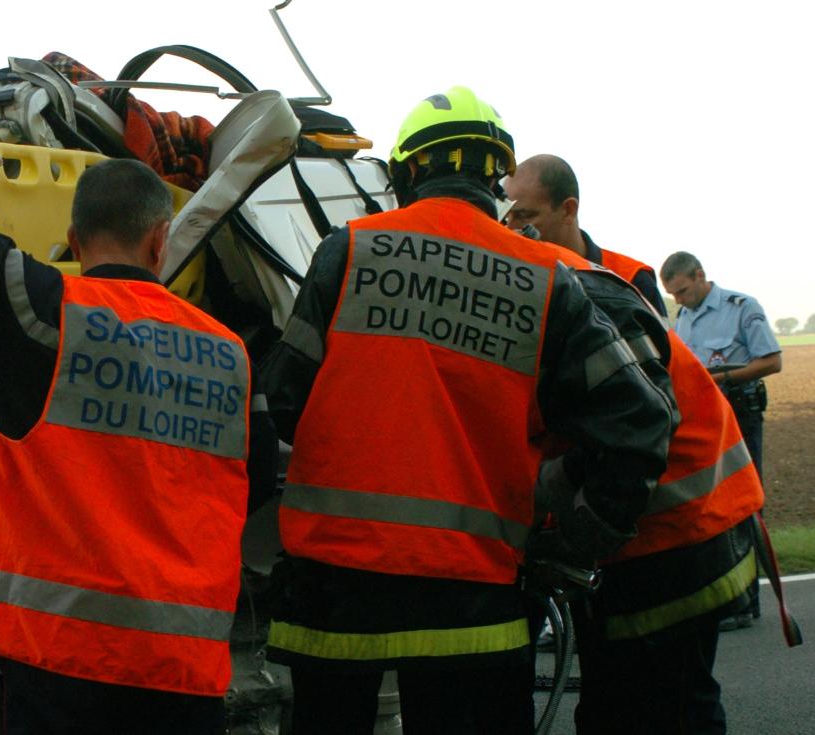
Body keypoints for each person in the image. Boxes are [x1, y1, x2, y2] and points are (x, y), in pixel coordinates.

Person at [259, 86, 674, 734]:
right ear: (495, 177)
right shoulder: (548, 279)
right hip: (474, 606)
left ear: (408, 170)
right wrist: (575, 543)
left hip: (334, 595)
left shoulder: (351, 250)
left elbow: (283, 402)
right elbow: (642, 422)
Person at [0, 108, 277, 734]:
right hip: (182, 666)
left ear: (75, 243)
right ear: (161, 240)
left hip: (60, 663)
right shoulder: (228, 352)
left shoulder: (42, 312)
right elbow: (254, 478)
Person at [508, 164, 766, 732]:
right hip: (646, 526)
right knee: (614, 704)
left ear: (567, 209)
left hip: (680, 523)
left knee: (676, 705)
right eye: (509, 218)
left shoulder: (600, 286)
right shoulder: (554, 278)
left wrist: (573, 525)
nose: (515, 230)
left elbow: (638, 422)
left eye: (525, 217)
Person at [663, 251, 781, 630]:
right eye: (673, 295)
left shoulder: (742, 306)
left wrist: (724, 380)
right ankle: (724, 596)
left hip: (740, 411)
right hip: (704, 420)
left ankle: (747, 602)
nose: (678, 300)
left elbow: (772, 361)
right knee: (710, 507)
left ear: (699, 275)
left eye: (682, 290)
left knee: (742, 504)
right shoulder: (684, 319)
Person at [504, 154, 667, 315]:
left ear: (568, 210)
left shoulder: (632, 279)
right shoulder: (508, 276)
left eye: (524, 216)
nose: (509, 230)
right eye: (505, 218)